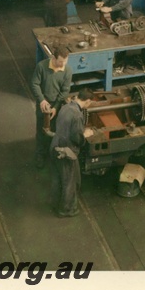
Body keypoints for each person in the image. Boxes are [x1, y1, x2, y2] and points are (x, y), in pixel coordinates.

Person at [50, 88, 94, 217]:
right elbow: (77, 138)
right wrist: (85, 134)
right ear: (88, 101)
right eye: (90, 103)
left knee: (58, 179)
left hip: (55, 146)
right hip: (66, 152)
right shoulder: (77, 115)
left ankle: (55, 204)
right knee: (71, 182)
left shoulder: (65, 107)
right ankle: (67, 210)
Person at [29, 48, 72, 169]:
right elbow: (35, 83)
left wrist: (56, 107)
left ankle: (53, 154)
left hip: (57, 104)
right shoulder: (41, 66)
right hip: (43, 104)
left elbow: (65, 90)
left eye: (65, 61)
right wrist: (42, 100)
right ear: (54, 57)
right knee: (42, 130)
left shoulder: (67, 70)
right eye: (60, 61)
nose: (63, 65)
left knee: (56, 130)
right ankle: (40, 155)